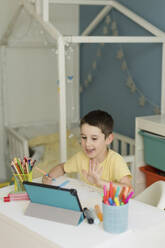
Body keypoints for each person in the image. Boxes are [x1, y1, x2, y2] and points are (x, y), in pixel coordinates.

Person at [42, 110, 132, 190]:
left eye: (94, 138)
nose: (87, 143)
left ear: (108, 139)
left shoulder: (116, 160)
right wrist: (49, 177)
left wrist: (99, 182)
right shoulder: (81, 157)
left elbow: (129, 190)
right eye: (84, 137)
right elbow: (62, 168)